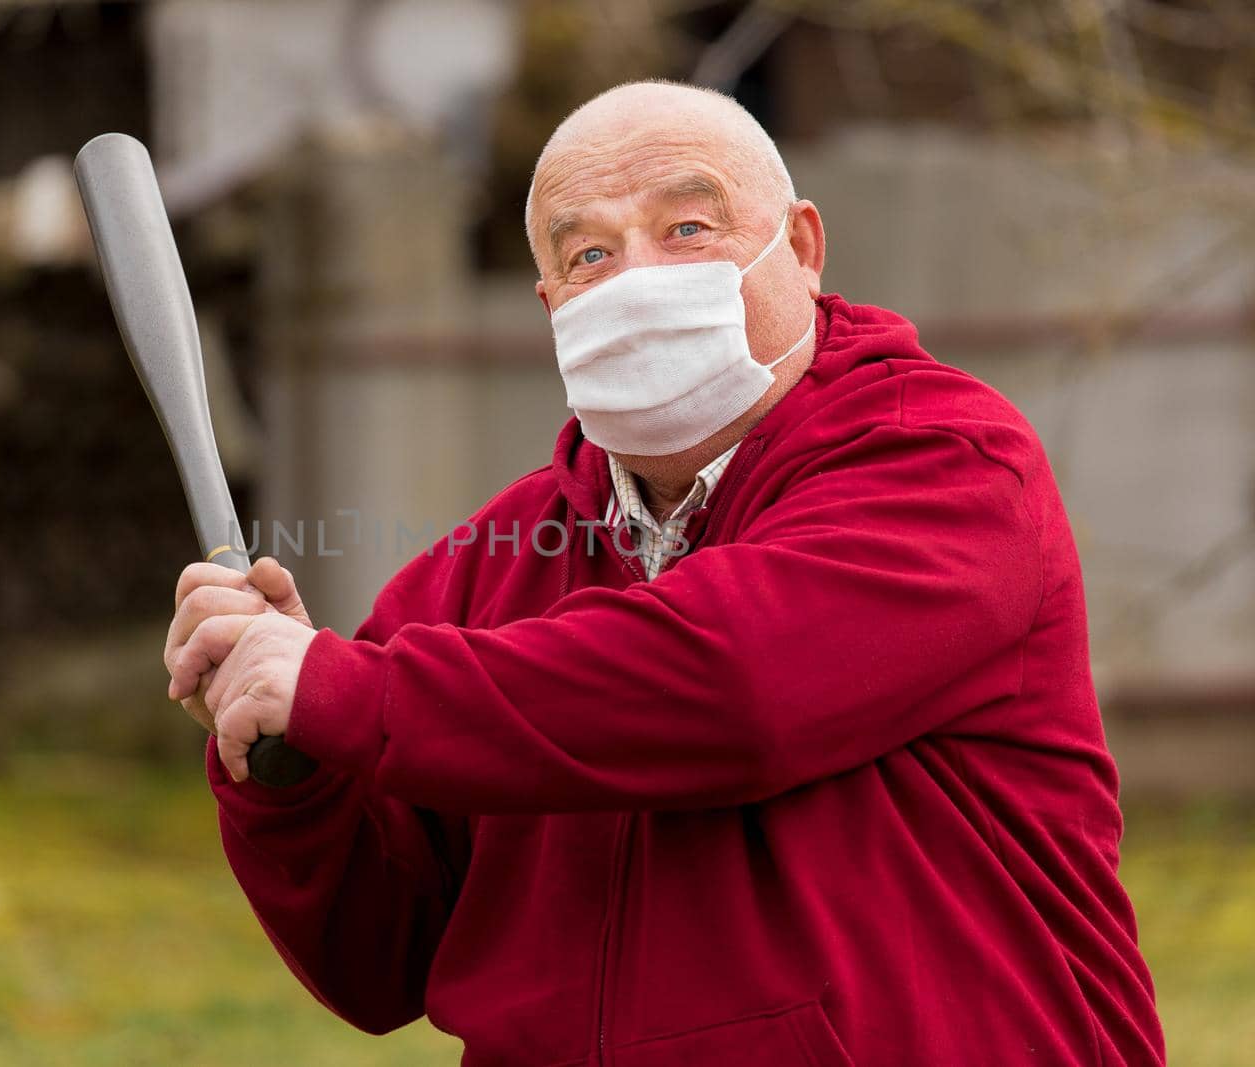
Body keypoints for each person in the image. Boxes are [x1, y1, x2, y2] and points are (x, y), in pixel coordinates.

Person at [163, 80, 1164, 1065]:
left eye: (687, 228)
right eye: (587, 252)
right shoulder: (483, 569)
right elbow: (379, 964)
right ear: (551, 303)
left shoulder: (944, 461)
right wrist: (284, 757)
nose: (636, 276)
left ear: (803, 248)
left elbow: (735, 685)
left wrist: (338, 684)